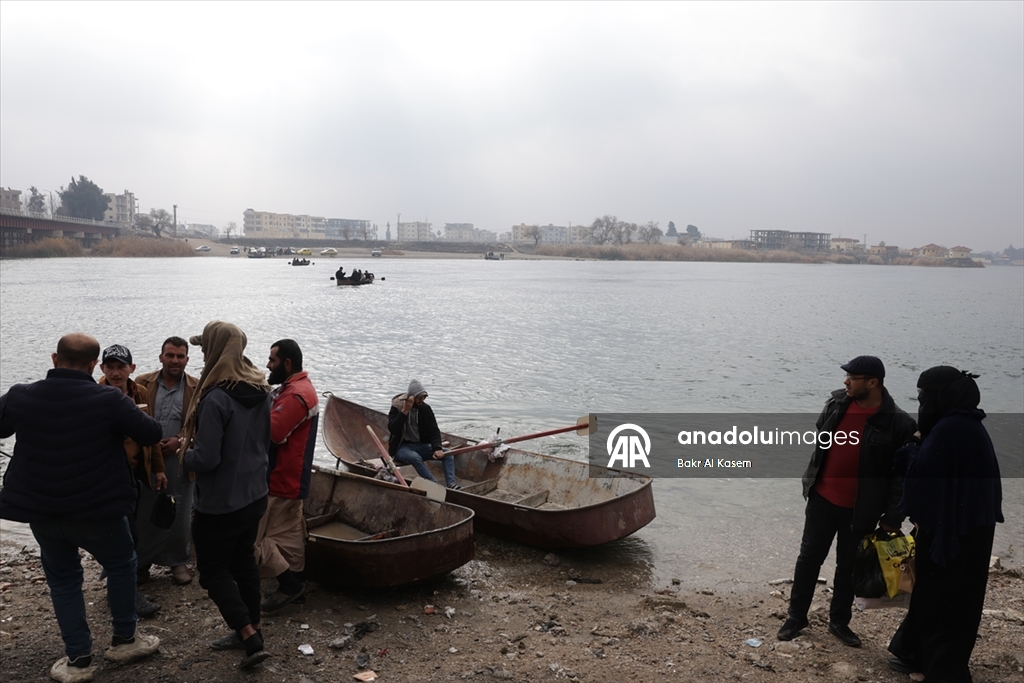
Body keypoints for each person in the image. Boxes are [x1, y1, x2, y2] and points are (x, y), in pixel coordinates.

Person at [0, 333, 162, 683]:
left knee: (63, 580)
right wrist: (126, 414)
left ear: (55, 359)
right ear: (93, 365)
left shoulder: (20, 395)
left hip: (43, 511)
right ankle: (125, 639)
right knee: (121, 564)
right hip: (99, 510)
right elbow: (151, 433)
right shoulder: (108, 399)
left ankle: (78, 659)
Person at [778, 356, 916, 647]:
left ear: (872, 382)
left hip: (861, 510)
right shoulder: (836, 404)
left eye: (852, 378)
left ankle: (839, 622)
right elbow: (821, 439)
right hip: (822, 498)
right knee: (808, 560)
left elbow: (900, 478)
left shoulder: (899, 423)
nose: (845, 382)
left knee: (848, 567)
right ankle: (795, 617)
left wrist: (893, 517)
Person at [887, 367, 1003, 683]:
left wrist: (912, 445)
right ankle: (913, 652)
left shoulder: (950, 429)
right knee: (943, 594)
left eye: (924, 397)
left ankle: (942, 668)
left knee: (944, 599)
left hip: (953, 533)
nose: (921, 403)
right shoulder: (967, 426)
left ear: (940, 397)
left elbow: (920, 475)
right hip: (966, 527)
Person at [182, 321, 272, 669]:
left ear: (215, 351)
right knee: (243, 560)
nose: (203, 355)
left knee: (212, 570)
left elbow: (206, 458)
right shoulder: (262, 388)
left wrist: (182, 453)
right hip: (255, 494)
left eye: (204, 349)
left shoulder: (216, 397)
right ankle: (254, 625)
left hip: (220, 503)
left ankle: (248, 635)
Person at [97, 344, 162, 618]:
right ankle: (124, 596)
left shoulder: (141, 392)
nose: (115, 372)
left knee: (130, 533)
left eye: (120, 366)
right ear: (101, 368)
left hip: (135, 473)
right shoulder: (95, 393)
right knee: (122, 537)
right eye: (109, 366)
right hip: (107, 477)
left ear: (131, 369)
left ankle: (122, 587)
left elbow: (152, 434)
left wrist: (158, 468)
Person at [256, 339, 319, 612]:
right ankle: (294, 582)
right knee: (290, 535)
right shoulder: (296, 389)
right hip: (294, 478)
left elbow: (274, 432)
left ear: (287, 363)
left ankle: (289, 584)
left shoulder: (296, 394)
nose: (268, 365)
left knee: (251, 540)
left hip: (280, 478)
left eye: (272, 360)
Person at [134, 337, 199, 587]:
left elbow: (204, 426)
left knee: (180, 511)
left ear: (186, 360)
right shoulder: (142, 383)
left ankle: (178, 561)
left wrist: (180, 442)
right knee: (144, 511)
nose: (175, 360)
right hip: (147, 460)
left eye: (180, 356)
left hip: (180, 460)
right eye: (170, 355)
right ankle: (141, 563)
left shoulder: (196, 387)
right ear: (161, 357)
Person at [388, 380, 458, 488]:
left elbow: (434, 431)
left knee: (447, 453)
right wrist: (405, 411)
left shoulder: (425, 409)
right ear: (411, 397)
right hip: (402, 448)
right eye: (419, 397)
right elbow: (393, 429)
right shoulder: (397, 407)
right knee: (415, 458)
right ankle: (434, 486)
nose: (422, 400)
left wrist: (437, 448)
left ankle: (452, 485)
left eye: (423, 398)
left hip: (420, 445)